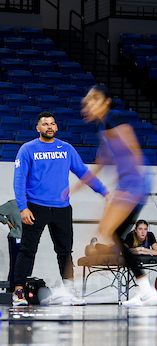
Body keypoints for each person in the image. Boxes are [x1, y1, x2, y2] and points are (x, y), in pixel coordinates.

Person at [11, 111, 108, 306]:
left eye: (52, 123)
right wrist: (23, 207)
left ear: (56, 127)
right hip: (35, 207)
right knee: (28, 250)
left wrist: (104, 192)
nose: (49, 127)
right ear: (38, 128)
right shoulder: (27, 149)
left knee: (65, 252)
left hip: (62, 208)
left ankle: (69, 291)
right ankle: (18, 291)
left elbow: (83, 172)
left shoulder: (66, 149)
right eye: (45, 124)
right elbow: (19, 180)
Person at [78, 86, 157, 307]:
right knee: (114, 234)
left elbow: (133, 149)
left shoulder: (114, 117)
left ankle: (146, 291)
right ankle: (146, 291)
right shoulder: (104, 127)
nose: (90, 104)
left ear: (106, 101)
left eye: (95, 99)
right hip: (132, 185)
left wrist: (128, 190)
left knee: (106, 229)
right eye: (88, 100)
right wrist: (77, 186)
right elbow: (102, 161)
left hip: (134, 185)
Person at [0, 198, 21, 295]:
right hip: (16, 238)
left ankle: (22, 288)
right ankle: (13, 289)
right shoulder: (13, 204)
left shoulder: (34, 204)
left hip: (29, 240)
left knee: (27, 266)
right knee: (16, 264)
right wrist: (5, 221)